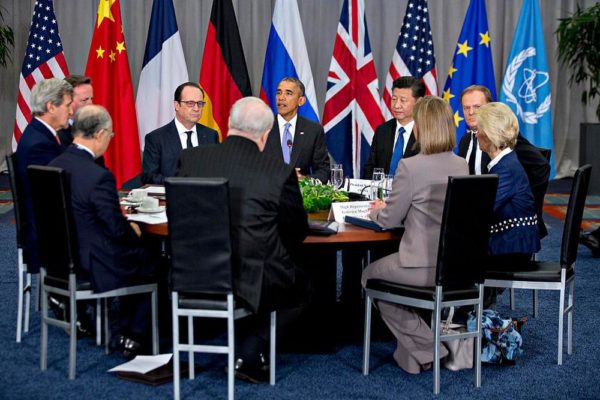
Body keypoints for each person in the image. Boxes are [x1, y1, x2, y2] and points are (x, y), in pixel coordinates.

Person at [178, 96, 309, 383]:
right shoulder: (278, 171)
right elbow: (296, 230)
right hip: (252, 277)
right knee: (299, 283)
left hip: (193, 272)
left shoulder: (191, 159)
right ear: (265, 135)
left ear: (228, 125)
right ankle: (249, 352)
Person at [361, 96, 468, 374]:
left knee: (369, 276)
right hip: (455, 267)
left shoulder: (410, 166)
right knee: (387, 283)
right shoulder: (461, 165)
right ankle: (412, 356)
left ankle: (429, 346)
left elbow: (388, 219)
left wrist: (376, 210)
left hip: (418, 266)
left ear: (421, 128)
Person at [50, 105, 157, 357]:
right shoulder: (98, 176)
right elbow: (116, 229)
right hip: (95, 261)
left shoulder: (55, 163)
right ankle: (133, 336)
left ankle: (122, 327)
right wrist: (135, 231)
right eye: (110, 135)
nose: (110, 140)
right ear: (99, 134)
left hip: (63, 258)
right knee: (153, 260)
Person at [458, 85, 550, 238]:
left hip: (503, 222)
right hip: (477, 212)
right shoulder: (466, 140)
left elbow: (541, 166)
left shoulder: (504, 138)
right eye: (466, 108)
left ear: (490, 108)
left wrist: (526, 205)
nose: (471, 112)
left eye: (477, 107)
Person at [15, 78, 73, 274]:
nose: (71, 111)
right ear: (51, 106)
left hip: (48, 226)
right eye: (67, 105)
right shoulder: (39, 145)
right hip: (48, 236)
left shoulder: (40, 134)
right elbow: (56, 195)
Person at [475, 102, 541, 261]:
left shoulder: (505, 169)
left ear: (489, 135)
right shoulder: (506, 162)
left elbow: (482, 211)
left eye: (479, 129)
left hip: (511, 248)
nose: (476, 134)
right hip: (509, 241)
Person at [141, 82, 218, 184]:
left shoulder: (211, 135)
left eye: (200, 103)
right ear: (177, 105)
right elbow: (149, 177)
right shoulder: (156, 138)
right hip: (171, 197)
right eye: (190, 103)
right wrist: (180, 183)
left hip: (204, 197)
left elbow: (217, 171)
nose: (196, 108)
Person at [263, 77, 330, 183]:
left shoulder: (313, 130)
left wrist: (305, 180)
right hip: (268, 194)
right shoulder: (263, 127)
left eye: (288, 93)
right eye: (279, 93)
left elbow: (324, 171)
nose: (281, 98)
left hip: (300, 196)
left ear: (301, 101)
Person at [363, 77, 424, 178]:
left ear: (418, 103)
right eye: (394, 99)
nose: (396, 105)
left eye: (403, 100)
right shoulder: (382, 130)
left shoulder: (426, 132)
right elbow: (370, 167)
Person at [57, 75, 94, 146]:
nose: (91, 104)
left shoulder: (90, 127)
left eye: (91, 99)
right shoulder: (56, 134)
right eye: (85, 99)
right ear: (68, 100)